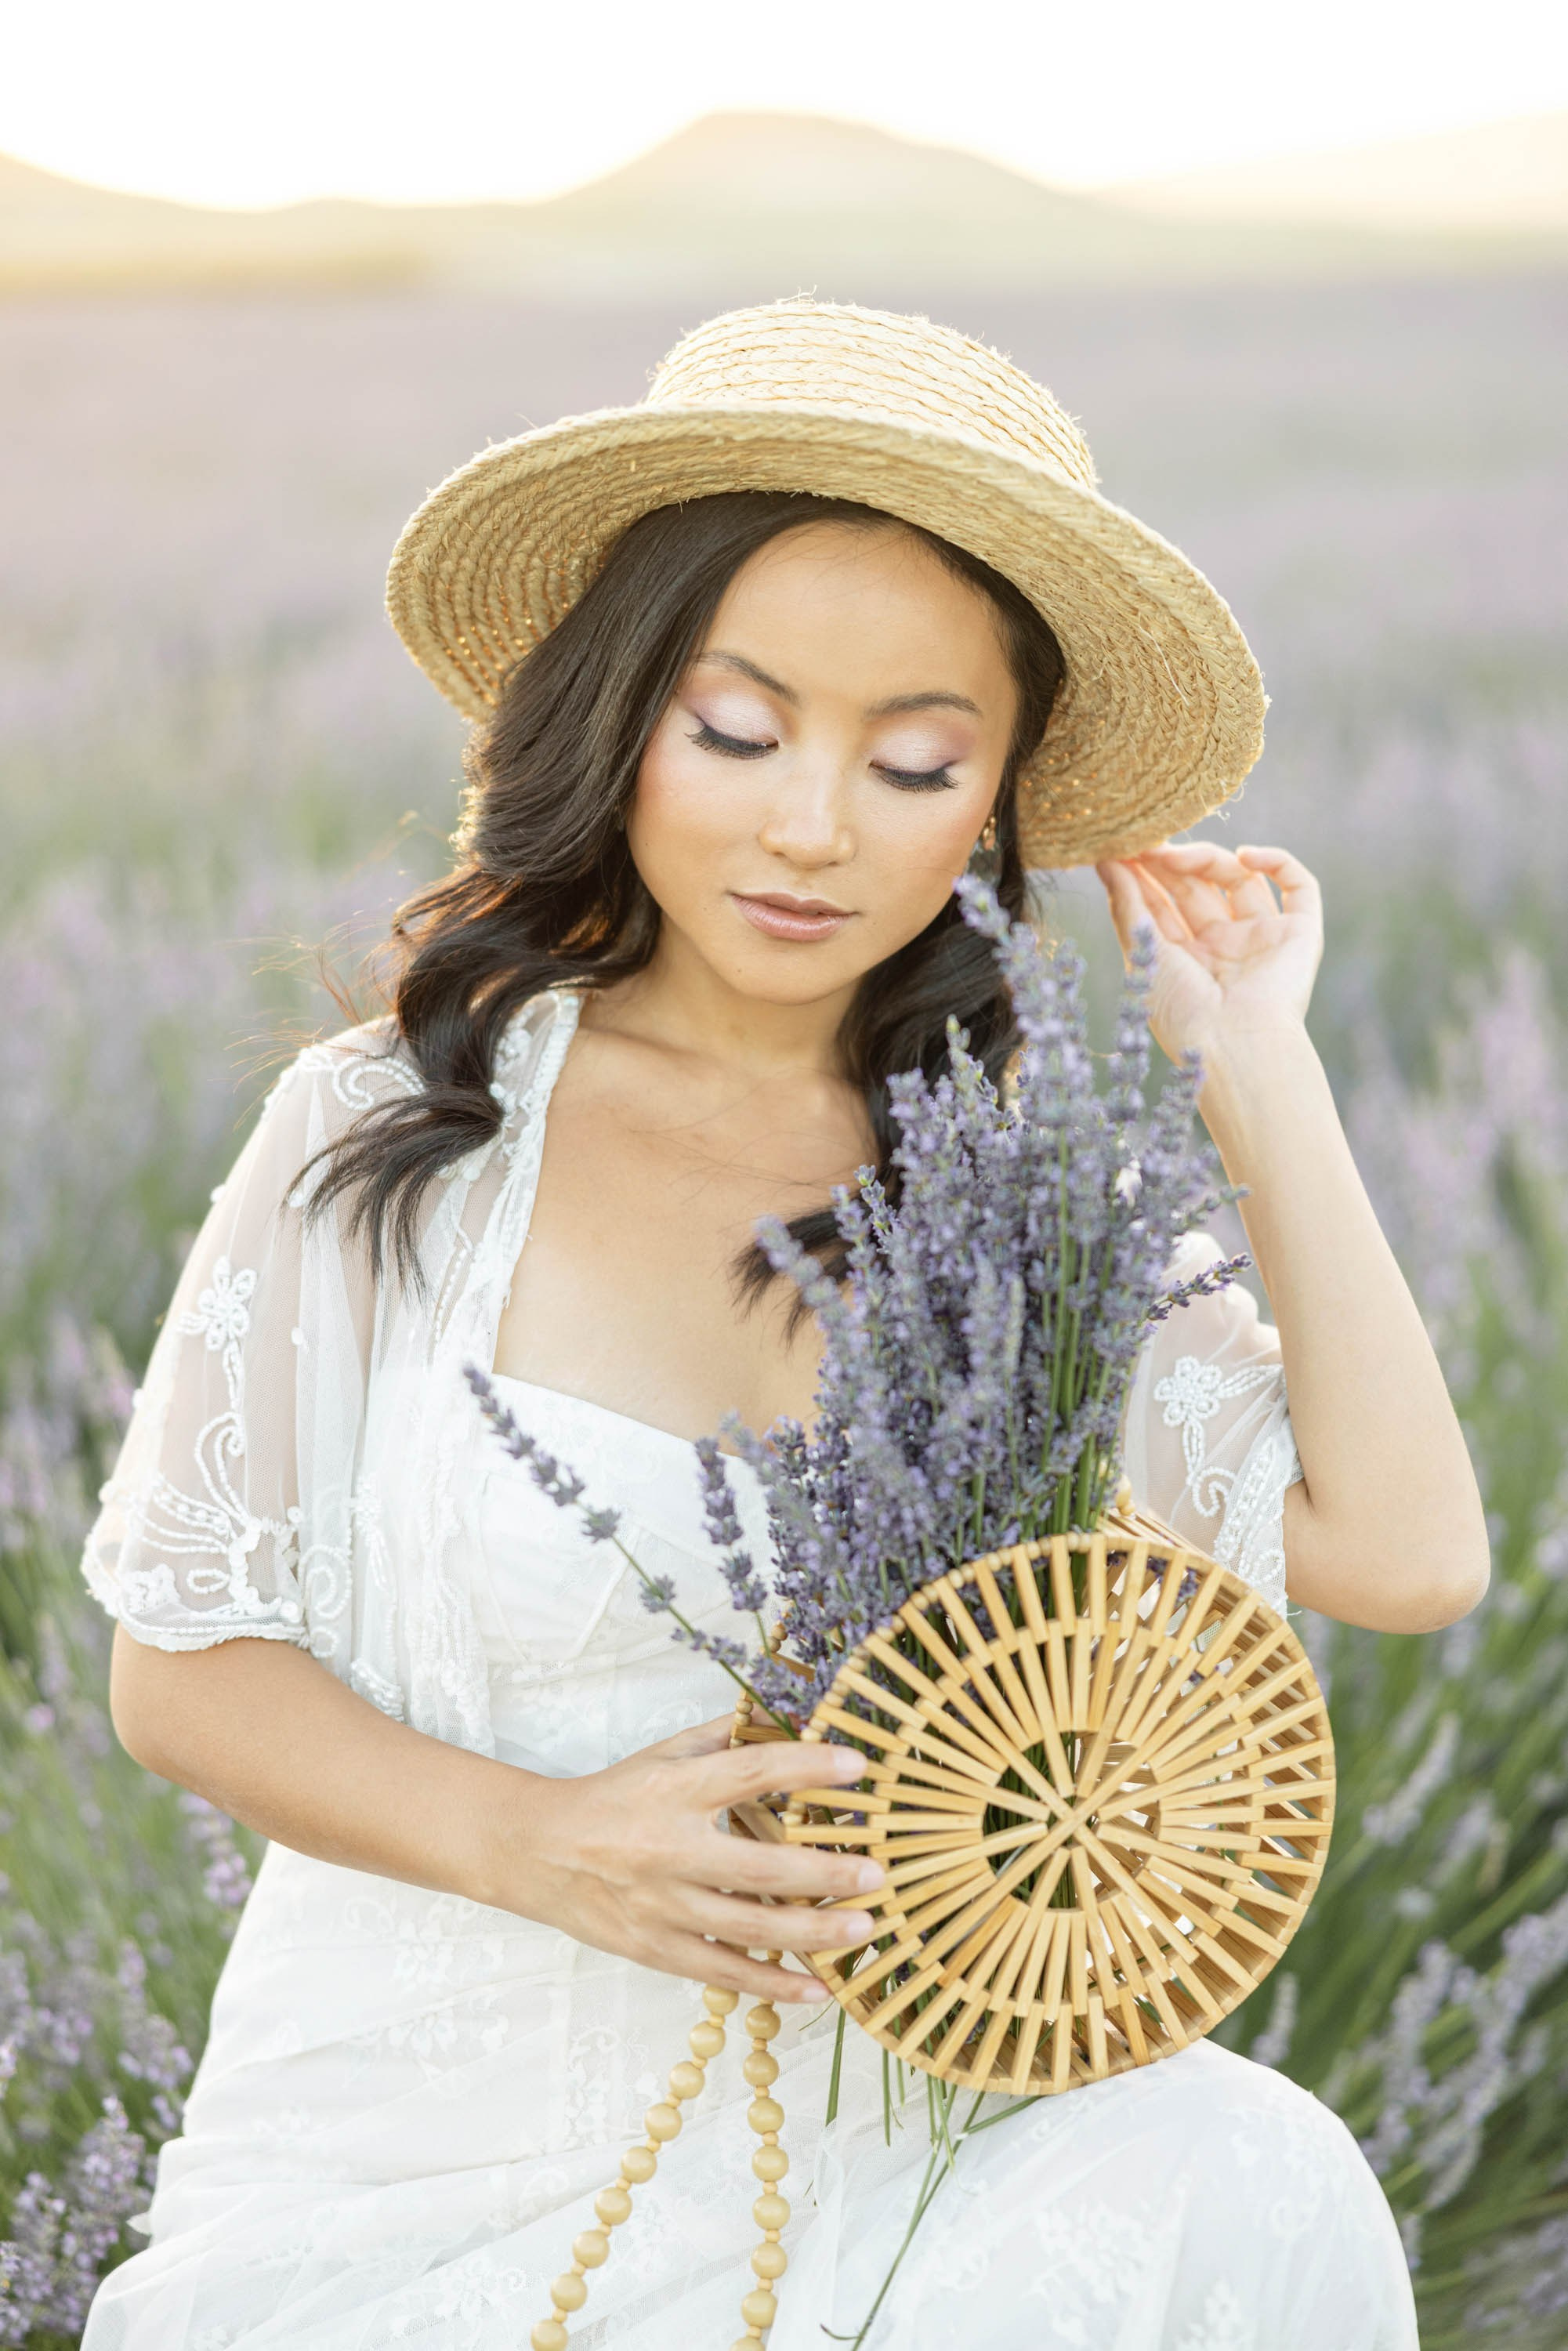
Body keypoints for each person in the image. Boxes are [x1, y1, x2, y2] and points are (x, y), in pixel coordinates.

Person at [78, 302, 1485, 2350]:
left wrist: (1250, 1064)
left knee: (1237, 2169)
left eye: (917, 758)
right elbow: (181, 1670)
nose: (816, 825)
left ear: (993, 797)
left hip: (874, 2176)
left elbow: (1406, 1552)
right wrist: (538, 1844)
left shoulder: (1014, 1209)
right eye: (740, 731)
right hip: (398, 2172)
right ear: (619, 715)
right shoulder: (404, 1135)